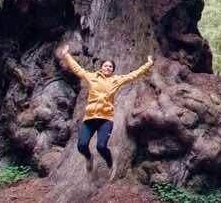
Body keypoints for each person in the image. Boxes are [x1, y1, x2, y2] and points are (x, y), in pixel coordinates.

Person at [55, 44, 154, 173]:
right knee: (82, 145)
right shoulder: (92, 77)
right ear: (101, 67)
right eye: (106, 65)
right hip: (90, 118)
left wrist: (148, 64)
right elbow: (77, 69)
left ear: (113, 70)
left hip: (105, 119)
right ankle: (88, 158)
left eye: (110, 67)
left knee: (101, 146)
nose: (108, 68)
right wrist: (66, 55)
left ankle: (109, 161)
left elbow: (133, 75)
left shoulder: (116, 80)